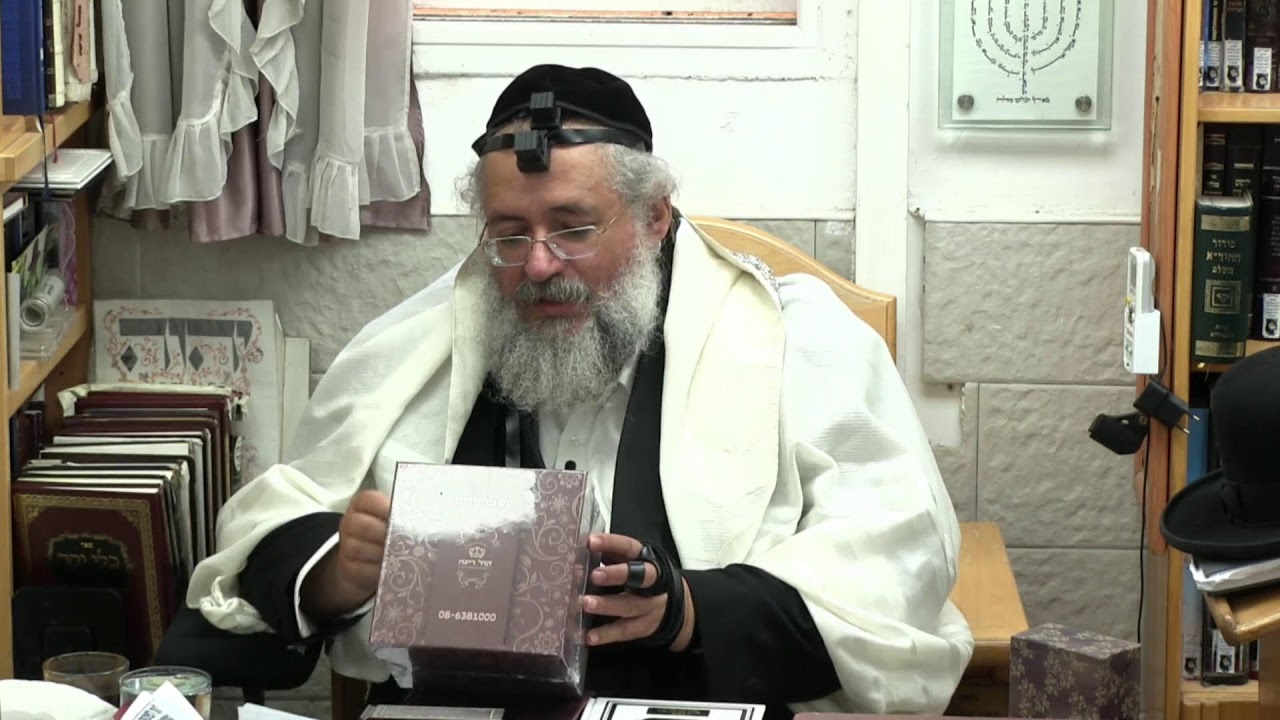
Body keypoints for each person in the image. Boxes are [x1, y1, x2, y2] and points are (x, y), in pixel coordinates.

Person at [186, 64, 974, 717]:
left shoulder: (794, 337)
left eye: (573, 227)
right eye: (509, 234)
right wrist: (337, 572)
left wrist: (689, 610)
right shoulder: (426, 341)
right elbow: (270, 525)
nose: (537, 265)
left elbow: (890, 556)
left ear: (655, 218)